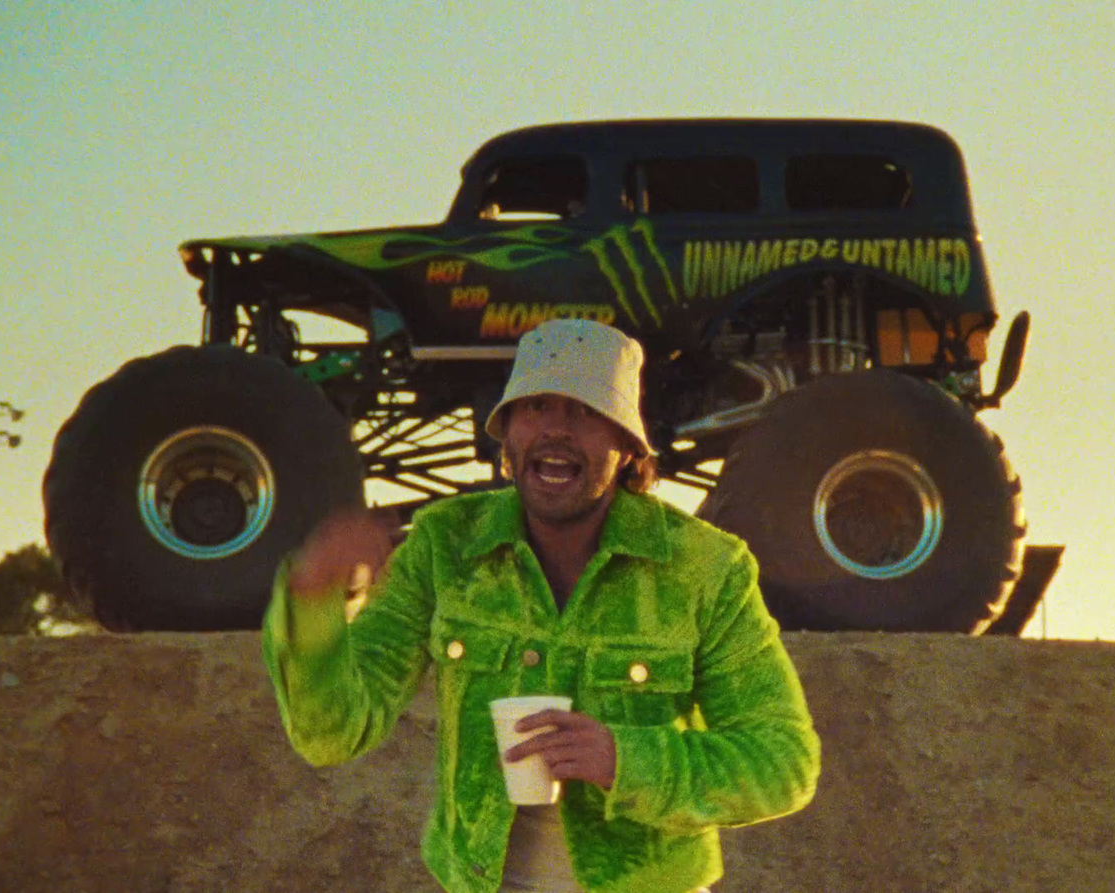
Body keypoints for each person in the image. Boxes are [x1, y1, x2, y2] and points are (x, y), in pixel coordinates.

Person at [263, 318, 820, 893]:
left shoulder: (705, 567)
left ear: (628, 448)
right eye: (534, 408)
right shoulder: (445, 545)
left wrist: (623, 759)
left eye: (583, 411)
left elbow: (782, 762)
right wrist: (313, 602)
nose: (555, 430)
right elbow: (333, 733)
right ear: (506, 438)